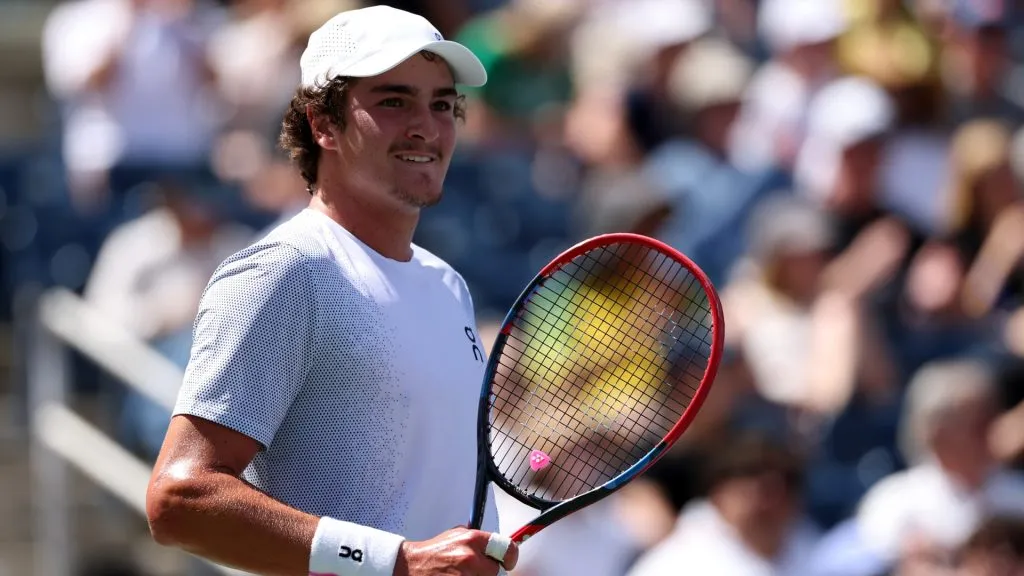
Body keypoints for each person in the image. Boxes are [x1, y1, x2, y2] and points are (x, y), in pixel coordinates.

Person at [144, 6, 518, 576]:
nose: (426, 126)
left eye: (442, 105)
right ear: (323, 124)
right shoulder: (286, 271)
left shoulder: (448, 286)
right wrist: (398, 562)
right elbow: (179, 499)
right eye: (394, 102)